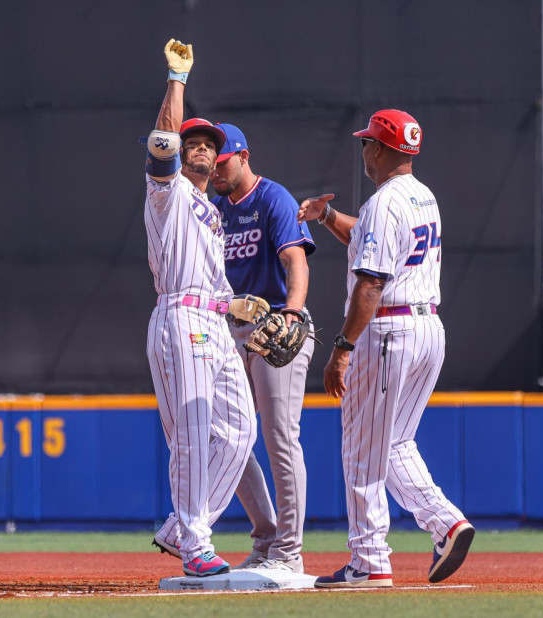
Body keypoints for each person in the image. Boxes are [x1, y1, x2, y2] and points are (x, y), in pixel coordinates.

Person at [297, 109, 474, 588]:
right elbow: (369, 242)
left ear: (379, 148)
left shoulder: (383, 202)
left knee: (361, 450)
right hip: (428, 330)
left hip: (388, 330)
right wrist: (328, 215)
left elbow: (371, 281)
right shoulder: (423, 196)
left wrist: (342, 348)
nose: (363, 149)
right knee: (393, 444)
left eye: (366, 142)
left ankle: (369, 560)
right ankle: (446, 523)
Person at [144, 39, 257, 578]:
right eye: (195, 141)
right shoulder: (167, 195)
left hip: (214, 320)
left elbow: (209, 280)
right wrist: (177, 78)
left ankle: (180, 527)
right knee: (191, 434)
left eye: (211, 144)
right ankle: (195, 545)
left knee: (239, 432)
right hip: (180, 319)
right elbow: (164, 138)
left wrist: (238, 305)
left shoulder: (210, 212)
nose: (202, 148)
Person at [213, 124, 315, 573]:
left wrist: (293, 311)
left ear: (243, 155)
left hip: (277, 325)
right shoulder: (214, 209)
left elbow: (295, 259)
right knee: (229, 439)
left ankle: (288, 553)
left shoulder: (273, 198)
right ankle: (266, 539)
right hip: (231, 330)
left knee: (278, 436)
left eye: (221, 162)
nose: (214, 170)